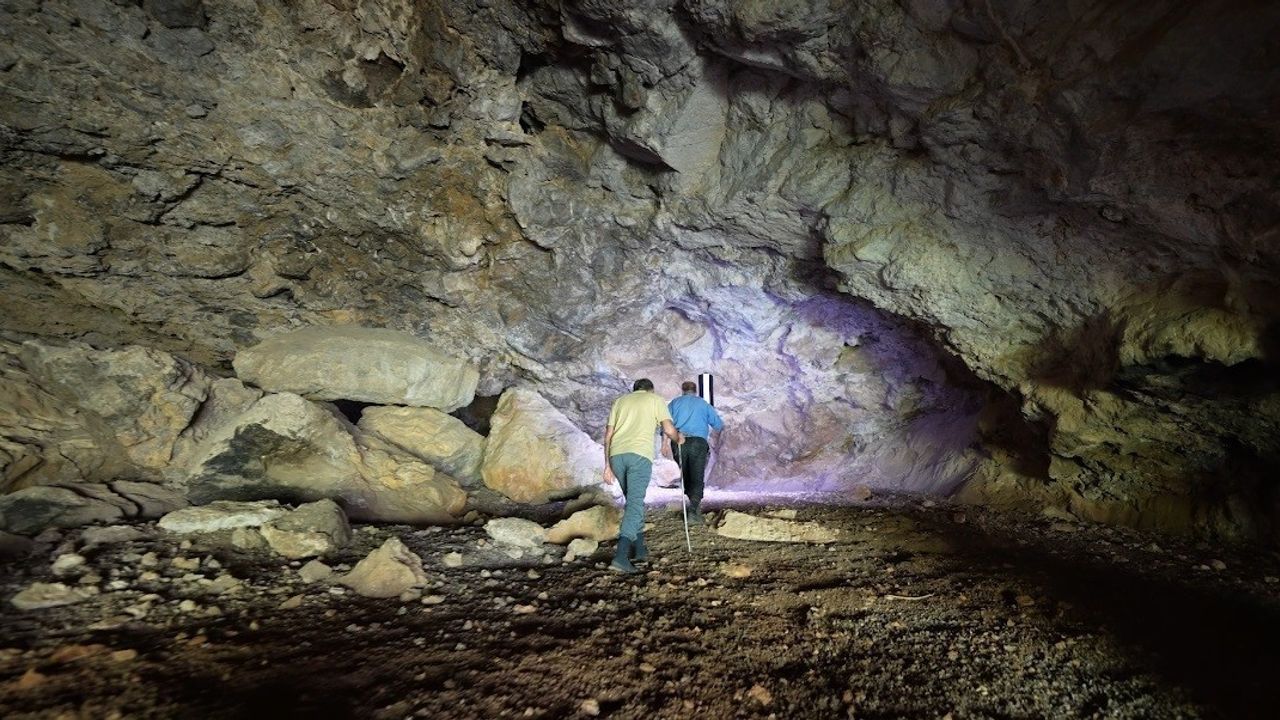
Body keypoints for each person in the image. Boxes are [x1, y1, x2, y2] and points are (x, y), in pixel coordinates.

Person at [603, 378, 684, 574]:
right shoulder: (654, 400)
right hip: (639, 455)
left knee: (633, 502)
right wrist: (678, 438)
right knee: (635, 503)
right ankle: (621, 556)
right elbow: (668, 429)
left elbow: (608, 435)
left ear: (635, 390)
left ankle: (639, 549)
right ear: (650, 390)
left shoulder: (620, 401)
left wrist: (607, 466)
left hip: (616, 456)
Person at [667, 380, 723, 523]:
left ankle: (692, 504)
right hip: (698, 442)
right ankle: (693, 509)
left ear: (683, 390)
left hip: (679, 441)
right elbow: (718, 424)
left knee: (685, 473)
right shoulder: (703, 404)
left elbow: (665, 424)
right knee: (697, 474)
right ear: (695, 390)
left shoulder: (674, 403)